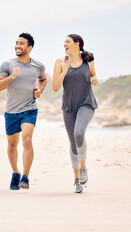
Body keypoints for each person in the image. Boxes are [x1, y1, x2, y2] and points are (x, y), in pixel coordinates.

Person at [0, 33, 47, 190]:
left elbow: (43, 79)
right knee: (12, 145)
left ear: (29, 48)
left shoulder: (38, 66)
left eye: (21, 44)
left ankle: (25, 177)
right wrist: (11, 77)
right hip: (11, 111)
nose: (17, 46)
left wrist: (40, 90)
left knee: (27, 139)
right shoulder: (8, 64)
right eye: (16, 43)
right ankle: (15, 173)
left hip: (29, 109)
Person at [52, 34, 98, 193]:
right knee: (72, 142)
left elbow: (93, 74)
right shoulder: (60, 62)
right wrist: (64, 71)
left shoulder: (88, 58)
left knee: (79, 134)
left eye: (68, 42)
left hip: (86, 102)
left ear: (77, 44)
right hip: (68, 106)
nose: (64, 44)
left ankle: (84, 167)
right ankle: (77, 180)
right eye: (64, 41)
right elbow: (55, 87)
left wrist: (94, 79)